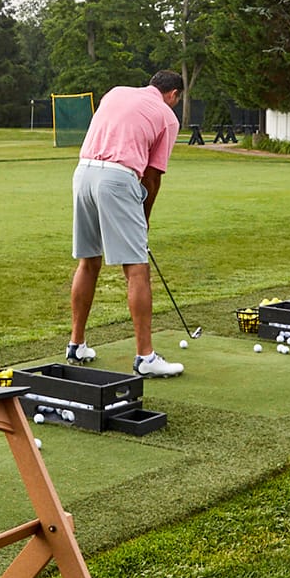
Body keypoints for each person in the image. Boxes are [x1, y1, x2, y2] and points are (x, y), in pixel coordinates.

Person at [69, 70, 187, 378]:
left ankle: (76, 345)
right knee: (137, 268)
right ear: (173, 94)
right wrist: (144, 219)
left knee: (88, 261)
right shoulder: (168, 116)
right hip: (117, 178)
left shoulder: (116, 91)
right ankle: (146, 358)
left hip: (83, 174)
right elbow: (153, 176)